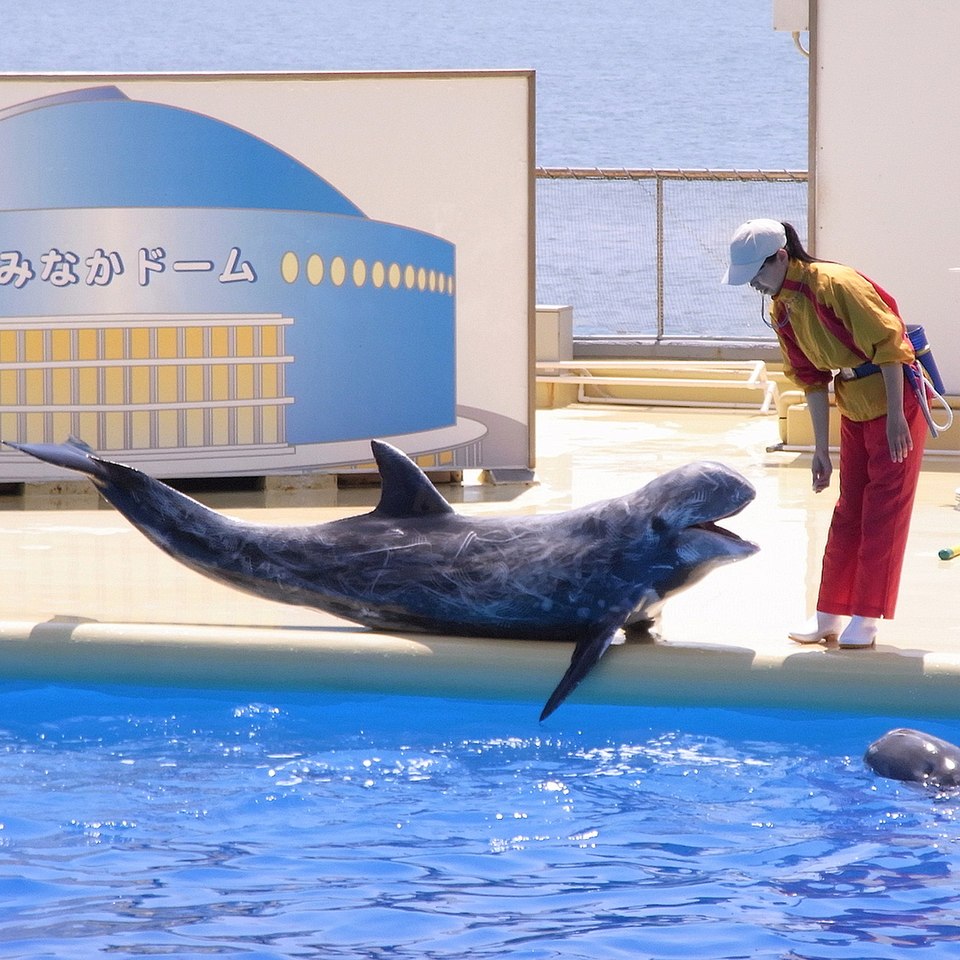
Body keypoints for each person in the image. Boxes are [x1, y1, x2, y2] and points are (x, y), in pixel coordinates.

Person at [722, 218, 927, 648]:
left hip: (896, 402)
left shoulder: (835, 283)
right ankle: (829, 612)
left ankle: (867, 617)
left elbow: (891, 348)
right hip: (854, 402)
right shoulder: (783, 306)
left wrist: (895, 418)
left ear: (780, 257)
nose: (756, 285)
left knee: (882, 513)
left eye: (758, 273)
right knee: (848, 509)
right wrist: (821, 450)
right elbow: (810, 378)